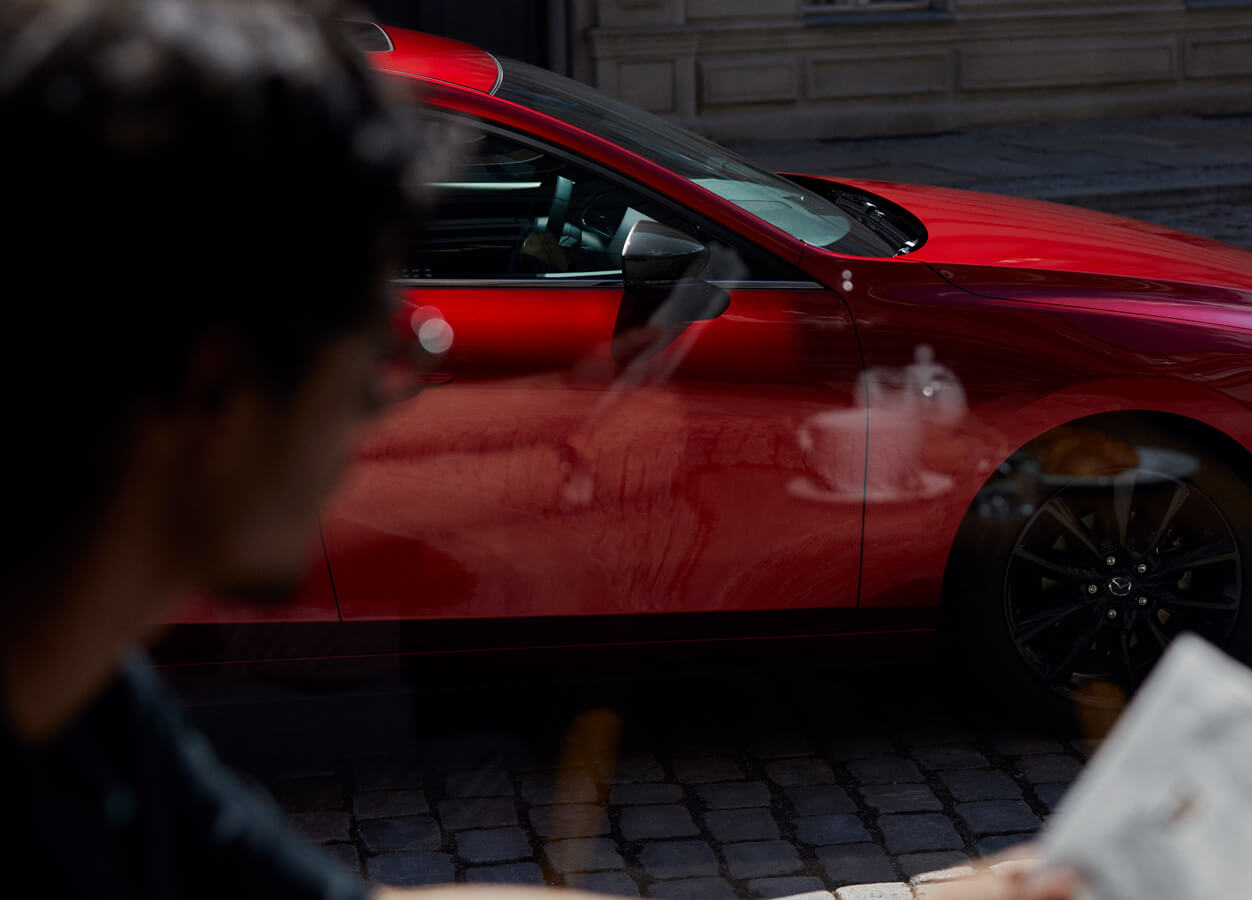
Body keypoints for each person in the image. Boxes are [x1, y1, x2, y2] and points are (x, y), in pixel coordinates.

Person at [0, 2, 1078, 899]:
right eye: (371, 319)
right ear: (214, 385)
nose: (415, 352)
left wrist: (952, 894)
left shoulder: (87, 702)